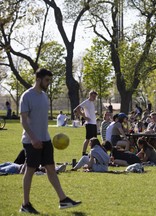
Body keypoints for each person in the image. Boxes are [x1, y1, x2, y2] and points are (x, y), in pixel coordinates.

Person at [19, 68, 81, 214]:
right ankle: (25, 204)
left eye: (49, 80)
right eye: (47, 80)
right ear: (38, 79)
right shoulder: (27, 96)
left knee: (51, 169)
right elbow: (23, 120)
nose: (48, 83)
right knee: (30, 171)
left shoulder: (44, 96)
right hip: (31, 140)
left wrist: (43, 137)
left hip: (45, 139)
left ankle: (63, 200)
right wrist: (33, 138)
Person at [74, 90, 98, 156]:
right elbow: (76, 109)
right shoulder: (86, 102)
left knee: (94, 140)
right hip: (89, 124)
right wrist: (84, 117)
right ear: (90, 95)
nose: (94, 98)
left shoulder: (92, 103)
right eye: (93, 96)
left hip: (93, 123)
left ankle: (93, 153)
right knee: (88, 139)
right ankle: (84, 153)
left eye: (95, 97)